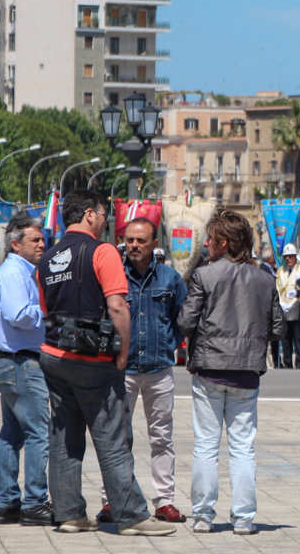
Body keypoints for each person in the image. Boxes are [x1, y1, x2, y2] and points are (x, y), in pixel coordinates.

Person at [36, 189, 174, 536]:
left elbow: (45, 310)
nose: (105, 221)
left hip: (53, 355)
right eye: (103, 214)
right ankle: (131, 516)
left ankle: (69, 514)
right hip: (94, 358)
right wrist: (123, 353)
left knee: (65, 438)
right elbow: (117, 306)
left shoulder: (47, 257)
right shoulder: (102, 251)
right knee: (112, 437)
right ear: (90, 215)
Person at [178, 208, 285, 535]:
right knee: (242, 447)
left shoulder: (204, 275)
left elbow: (185, 322)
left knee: (207, 445)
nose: (206, 243)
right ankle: (243, 519)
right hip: (247, 373)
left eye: (210, 238)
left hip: (209, 370)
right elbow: (279, 328)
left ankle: (203, 516)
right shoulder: (265, 278)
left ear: (224, 243)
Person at [95, 217, 189, 525]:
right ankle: (112, 500)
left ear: (154, 243)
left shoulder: (171, 279)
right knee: (117, 437)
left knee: (162, 437)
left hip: (159, 370)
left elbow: (182, 319)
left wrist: (168, 346)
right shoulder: (113, 277)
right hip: (122, 369)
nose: (134, 246)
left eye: (141, 240)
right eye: (130, 240)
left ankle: (164, 501)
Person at [0, 214, 54, 526]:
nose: (41, 244)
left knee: (13, 433)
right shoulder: (13, 274)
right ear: (16, 243)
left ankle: (8, 503)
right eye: (35, 240)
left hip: (9, 359)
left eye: (42, 239)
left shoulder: (15, 272)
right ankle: (34, 502)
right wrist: (49, 314)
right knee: (38, 432)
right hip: (19, 361)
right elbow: (19, 314)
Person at [275, 243, 300, 369]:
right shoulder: (281, 271)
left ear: (295, 257)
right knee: (286, 340)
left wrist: (292, 304)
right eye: (286, 257)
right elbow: (278, 289)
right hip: (284, 310)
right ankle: (287, 363)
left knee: (298, 339)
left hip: (296, 310)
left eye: (290, 257)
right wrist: (282, 304)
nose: (288, 259)